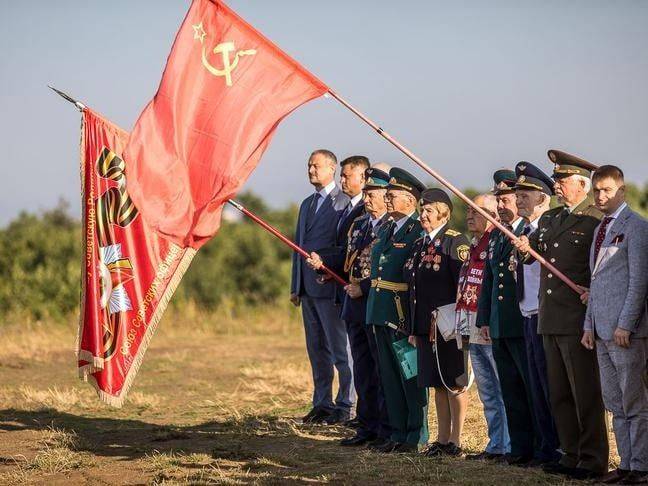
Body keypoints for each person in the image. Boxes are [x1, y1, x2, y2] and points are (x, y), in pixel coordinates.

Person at [515, 149, 608, 480]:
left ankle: (593, 457)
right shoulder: (553, 219)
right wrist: (524, 248)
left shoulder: (595, 219)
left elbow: (603, 268)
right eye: (555, 179)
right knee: (559, 391)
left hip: (576, 318)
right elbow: (532, 254)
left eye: (562, 180)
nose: (556, 184)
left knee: (584, 391)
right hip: (550, 317)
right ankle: (569, 452)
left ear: (581, 184)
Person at [309, 163, 392, 445]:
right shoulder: (359, 224)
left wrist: (364, 287)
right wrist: (323, 263)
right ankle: (366, 427)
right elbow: (347, 257)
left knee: (382, 371)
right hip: (355, 307)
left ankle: (385, 427)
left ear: (387, 195)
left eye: (374, 193)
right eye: (366, 193)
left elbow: (391, 269)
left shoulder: (393, 227)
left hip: (378, 305)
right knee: (363, 370)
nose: (367, 198)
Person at [581, 165, 648, 485]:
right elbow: (596, 282)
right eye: (596, 190)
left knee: (634, 401)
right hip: (601, 329)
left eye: (607, 190)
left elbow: (638, 283)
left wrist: (626, 325)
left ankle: (641, 466)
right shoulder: (600, 229)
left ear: (622, 191)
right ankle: (625, 464)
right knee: (615, 402)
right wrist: (587, 325)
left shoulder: (636, 226)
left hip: (625, 333)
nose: (600, 195)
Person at [477, 169, 536, 466]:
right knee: (510, 388)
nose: (501, 206)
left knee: (529, 386)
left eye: (507, 199)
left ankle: (538, 447)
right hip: (500, 322)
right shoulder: (500, 234)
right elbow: (489, 279)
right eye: (498, 200)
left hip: (520, 318)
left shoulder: (526, 232)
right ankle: (519, 447)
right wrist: (484, 318)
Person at [405, 188, 471, 457]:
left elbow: (463, 285)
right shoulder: (420, 244)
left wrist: (461, 325)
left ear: (444, 212)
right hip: (425, 326)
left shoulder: (455, 242)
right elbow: (414, 291)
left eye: (429, 210)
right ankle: (442, 439)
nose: (423, 215)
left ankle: (456, 440)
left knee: (454, 382)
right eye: (422, 210)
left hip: (448, 326)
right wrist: (413, 328)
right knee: (436, 383)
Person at [365, 167, 427, 453]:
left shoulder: (417, 230)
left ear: (411, 200)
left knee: (409, 375)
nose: (387, 199)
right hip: (380, 310)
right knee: (388, 375)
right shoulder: (388, 228)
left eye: (393, 195)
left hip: (401, 313)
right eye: (386, 195)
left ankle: (416, 434)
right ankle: (398, 431)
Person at [290, 149, 354, 425]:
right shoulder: (306, 203)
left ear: (332, 168)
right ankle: (321, 402)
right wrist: (295, 285)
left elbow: (343, 247)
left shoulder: (343, 203)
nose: (311, 170)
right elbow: (298, 247)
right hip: (307, 289)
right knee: (316, 350)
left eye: (316, 166)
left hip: (330, 287)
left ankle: (346, 403)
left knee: (341, 350)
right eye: (308, 166)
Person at [513, 162, 561, 465]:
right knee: (535, 386)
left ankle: (557, 447)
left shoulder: (549, 227)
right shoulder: (523, 229)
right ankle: (544, 447)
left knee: (549, 386)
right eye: (517, 194)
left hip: (546, 314)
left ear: (543, 197)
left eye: (525, 194)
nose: (519, 200)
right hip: (527, 312)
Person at [457, 193, 511, 461]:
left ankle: (508, 444)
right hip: (472, 322)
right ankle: (496, 443)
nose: (469, 215)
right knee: (487, 390)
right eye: (468, 210)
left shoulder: (496, 241)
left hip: (489, 322)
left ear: (492, 216)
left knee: (501, 388)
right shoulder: (475, 244)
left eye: (477, 211)